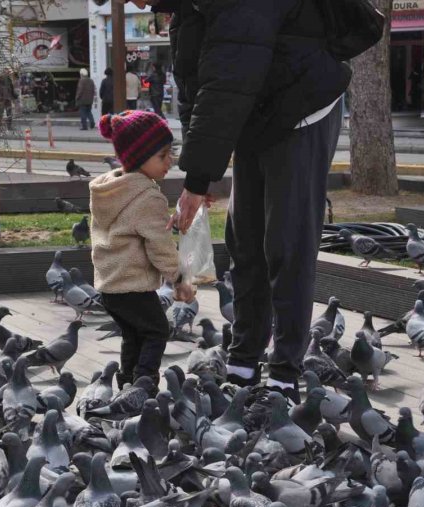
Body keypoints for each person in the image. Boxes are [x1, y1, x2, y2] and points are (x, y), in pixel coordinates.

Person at [131, 0, 350, 397]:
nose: (133, 4)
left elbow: (226, 84)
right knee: (244, 239)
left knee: (286, 241)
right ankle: (244, 361)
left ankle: (284, 372)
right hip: (255, 109)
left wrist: (198, 181)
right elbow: (196, 87)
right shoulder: (187, 8)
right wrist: (201, 174)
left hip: (301, 105)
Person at [90, 110, 195, 388]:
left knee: (133, 335)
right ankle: (144, 387)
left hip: (110, 286)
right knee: (157, 330)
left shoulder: (110, 190)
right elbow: (160, 246)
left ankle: (127, 384)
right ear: (138, 157)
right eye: (162, 155)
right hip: (132, 285)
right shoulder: (147, 197)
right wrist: (179, 279)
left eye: (171, 153)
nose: (169, 161)